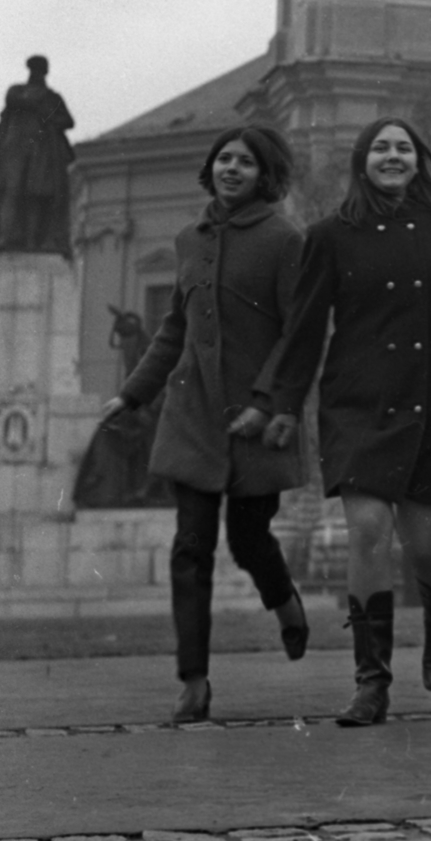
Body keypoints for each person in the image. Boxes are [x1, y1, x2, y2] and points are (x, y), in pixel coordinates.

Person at [98, 125, 307, 724]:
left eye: (245, 162)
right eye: (223, 160)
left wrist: (269, 405)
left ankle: (284, 600)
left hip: (252, 421)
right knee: (190, 546)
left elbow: (298, 335)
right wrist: (133, 395)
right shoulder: (189, 239)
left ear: (265, 174)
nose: (231, 169)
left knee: (248, 540)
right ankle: (193, 679)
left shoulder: (284, 240)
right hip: (191, 415)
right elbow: (174, 329)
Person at [264, 118, 431, 727]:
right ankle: (371, 682)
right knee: (368, 531)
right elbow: (303, 328)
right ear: (362, 160)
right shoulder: (330, 235)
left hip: (429, 404)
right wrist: (281, 403)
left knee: (425, 547)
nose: (392, 156)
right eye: (381, 147)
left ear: (418, 159)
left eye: (404, 147)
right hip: (357, 404)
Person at [0, 55, 75, 257]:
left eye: (40, 70)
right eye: (34, 69)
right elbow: (15, 100)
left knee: (36, 194)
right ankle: (5, 237)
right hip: (15, 150)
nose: (37, 73)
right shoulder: (19, 91)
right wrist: (43, 108)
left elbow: (67, 121)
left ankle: (32, 241)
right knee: (11, 192)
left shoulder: (52, 97)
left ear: (45, 72)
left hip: (41, 150)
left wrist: (47, 113)